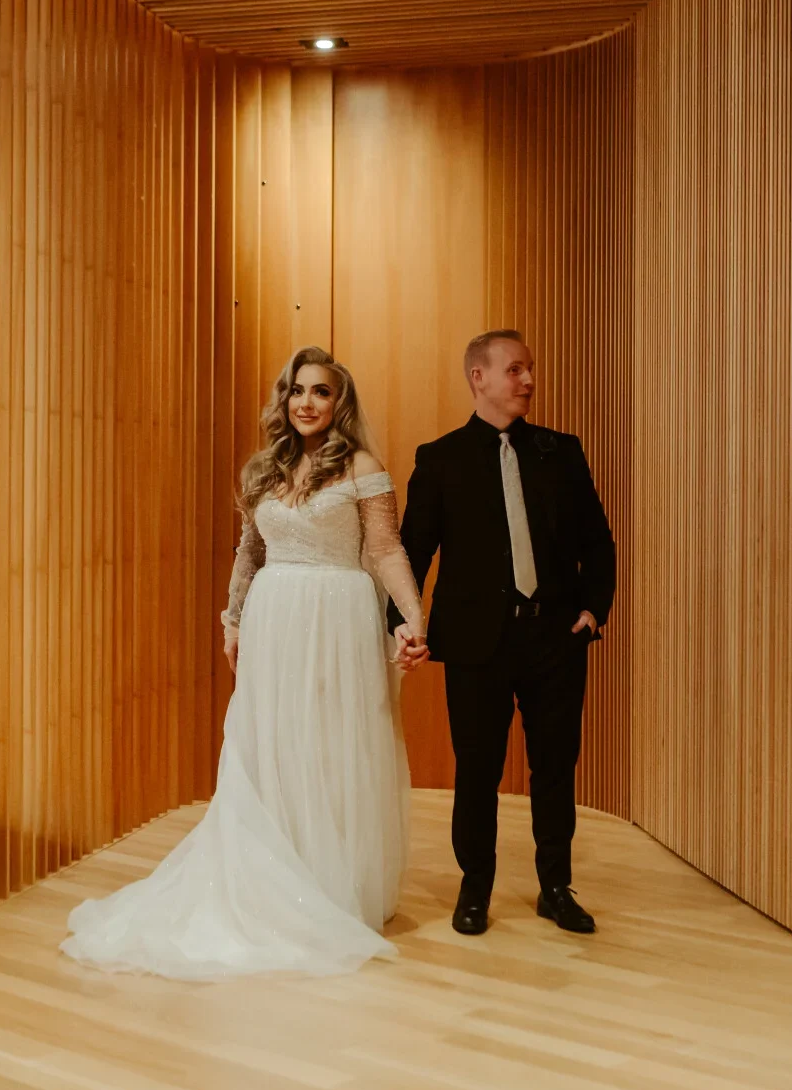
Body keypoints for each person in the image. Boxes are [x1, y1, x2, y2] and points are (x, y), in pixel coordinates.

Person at [61, 346, 426, 979]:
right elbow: (248, 553)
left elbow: (386, 550)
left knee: (335, 746)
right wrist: (233, 620)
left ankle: (333, 884)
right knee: (271, 746)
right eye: (297, 391)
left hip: (339, 617)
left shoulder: (362, 465)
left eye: (321, 392)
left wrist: (414, 618)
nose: (307, 403)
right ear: (285, 400)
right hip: (275, 618)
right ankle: (271, 877)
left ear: (341, 405)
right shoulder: (263, 469)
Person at [390, 330, 616, 936]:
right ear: (478, 378)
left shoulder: (561, 453)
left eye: (530, 369)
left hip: (555, 640)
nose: (528, 381)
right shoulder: (440, 459)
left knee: (554, 767)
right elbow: (412, 553)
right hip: (475, 645)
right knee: (478, 770)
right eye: (514, 369)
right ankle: (475, 887)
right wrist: (402, 627)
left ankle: (555, 886)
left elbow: (598, 540)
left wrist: (594, 610)